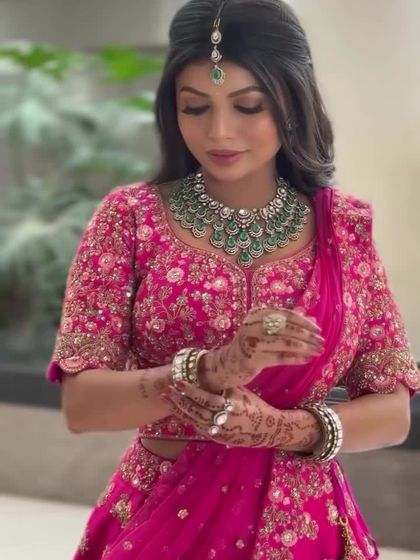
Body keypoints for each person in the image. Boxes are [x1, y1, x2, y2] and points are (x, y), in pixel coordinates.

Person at [47, 0, 420, 558]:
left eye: (248, 106)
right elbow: (82, 406)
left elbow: (391, 411)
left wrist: (283, 429)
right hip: (164, 523)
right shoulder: (130, 219)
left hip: (302, 531)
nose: (219, 131)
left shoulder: (344, 228)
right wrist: (213, 369)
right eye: (195, 107)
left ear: (292, 100)